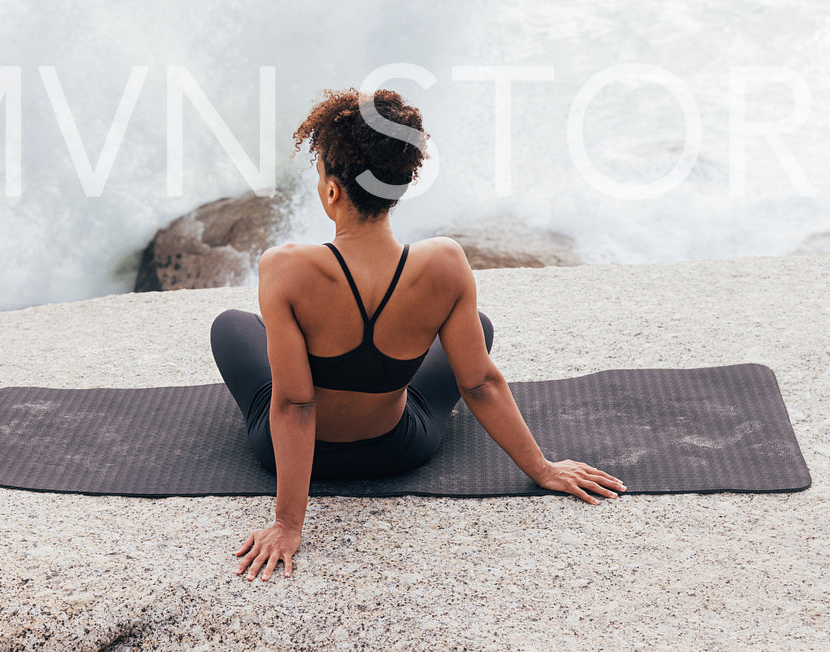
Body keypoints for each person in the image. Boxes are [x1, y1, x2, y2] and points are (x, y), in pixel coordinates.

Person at [211, 86, 625, 583]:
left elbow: (295, 405)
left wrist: (288, 524)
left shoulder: (285, 268)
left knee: (231, 326)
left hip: (287, 455)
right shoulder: (444, 263)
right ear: (398, 186)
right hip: (399, 448)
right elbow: (481, 384)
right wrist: (543, 469)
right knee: (478, 329)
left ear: (332, 191)